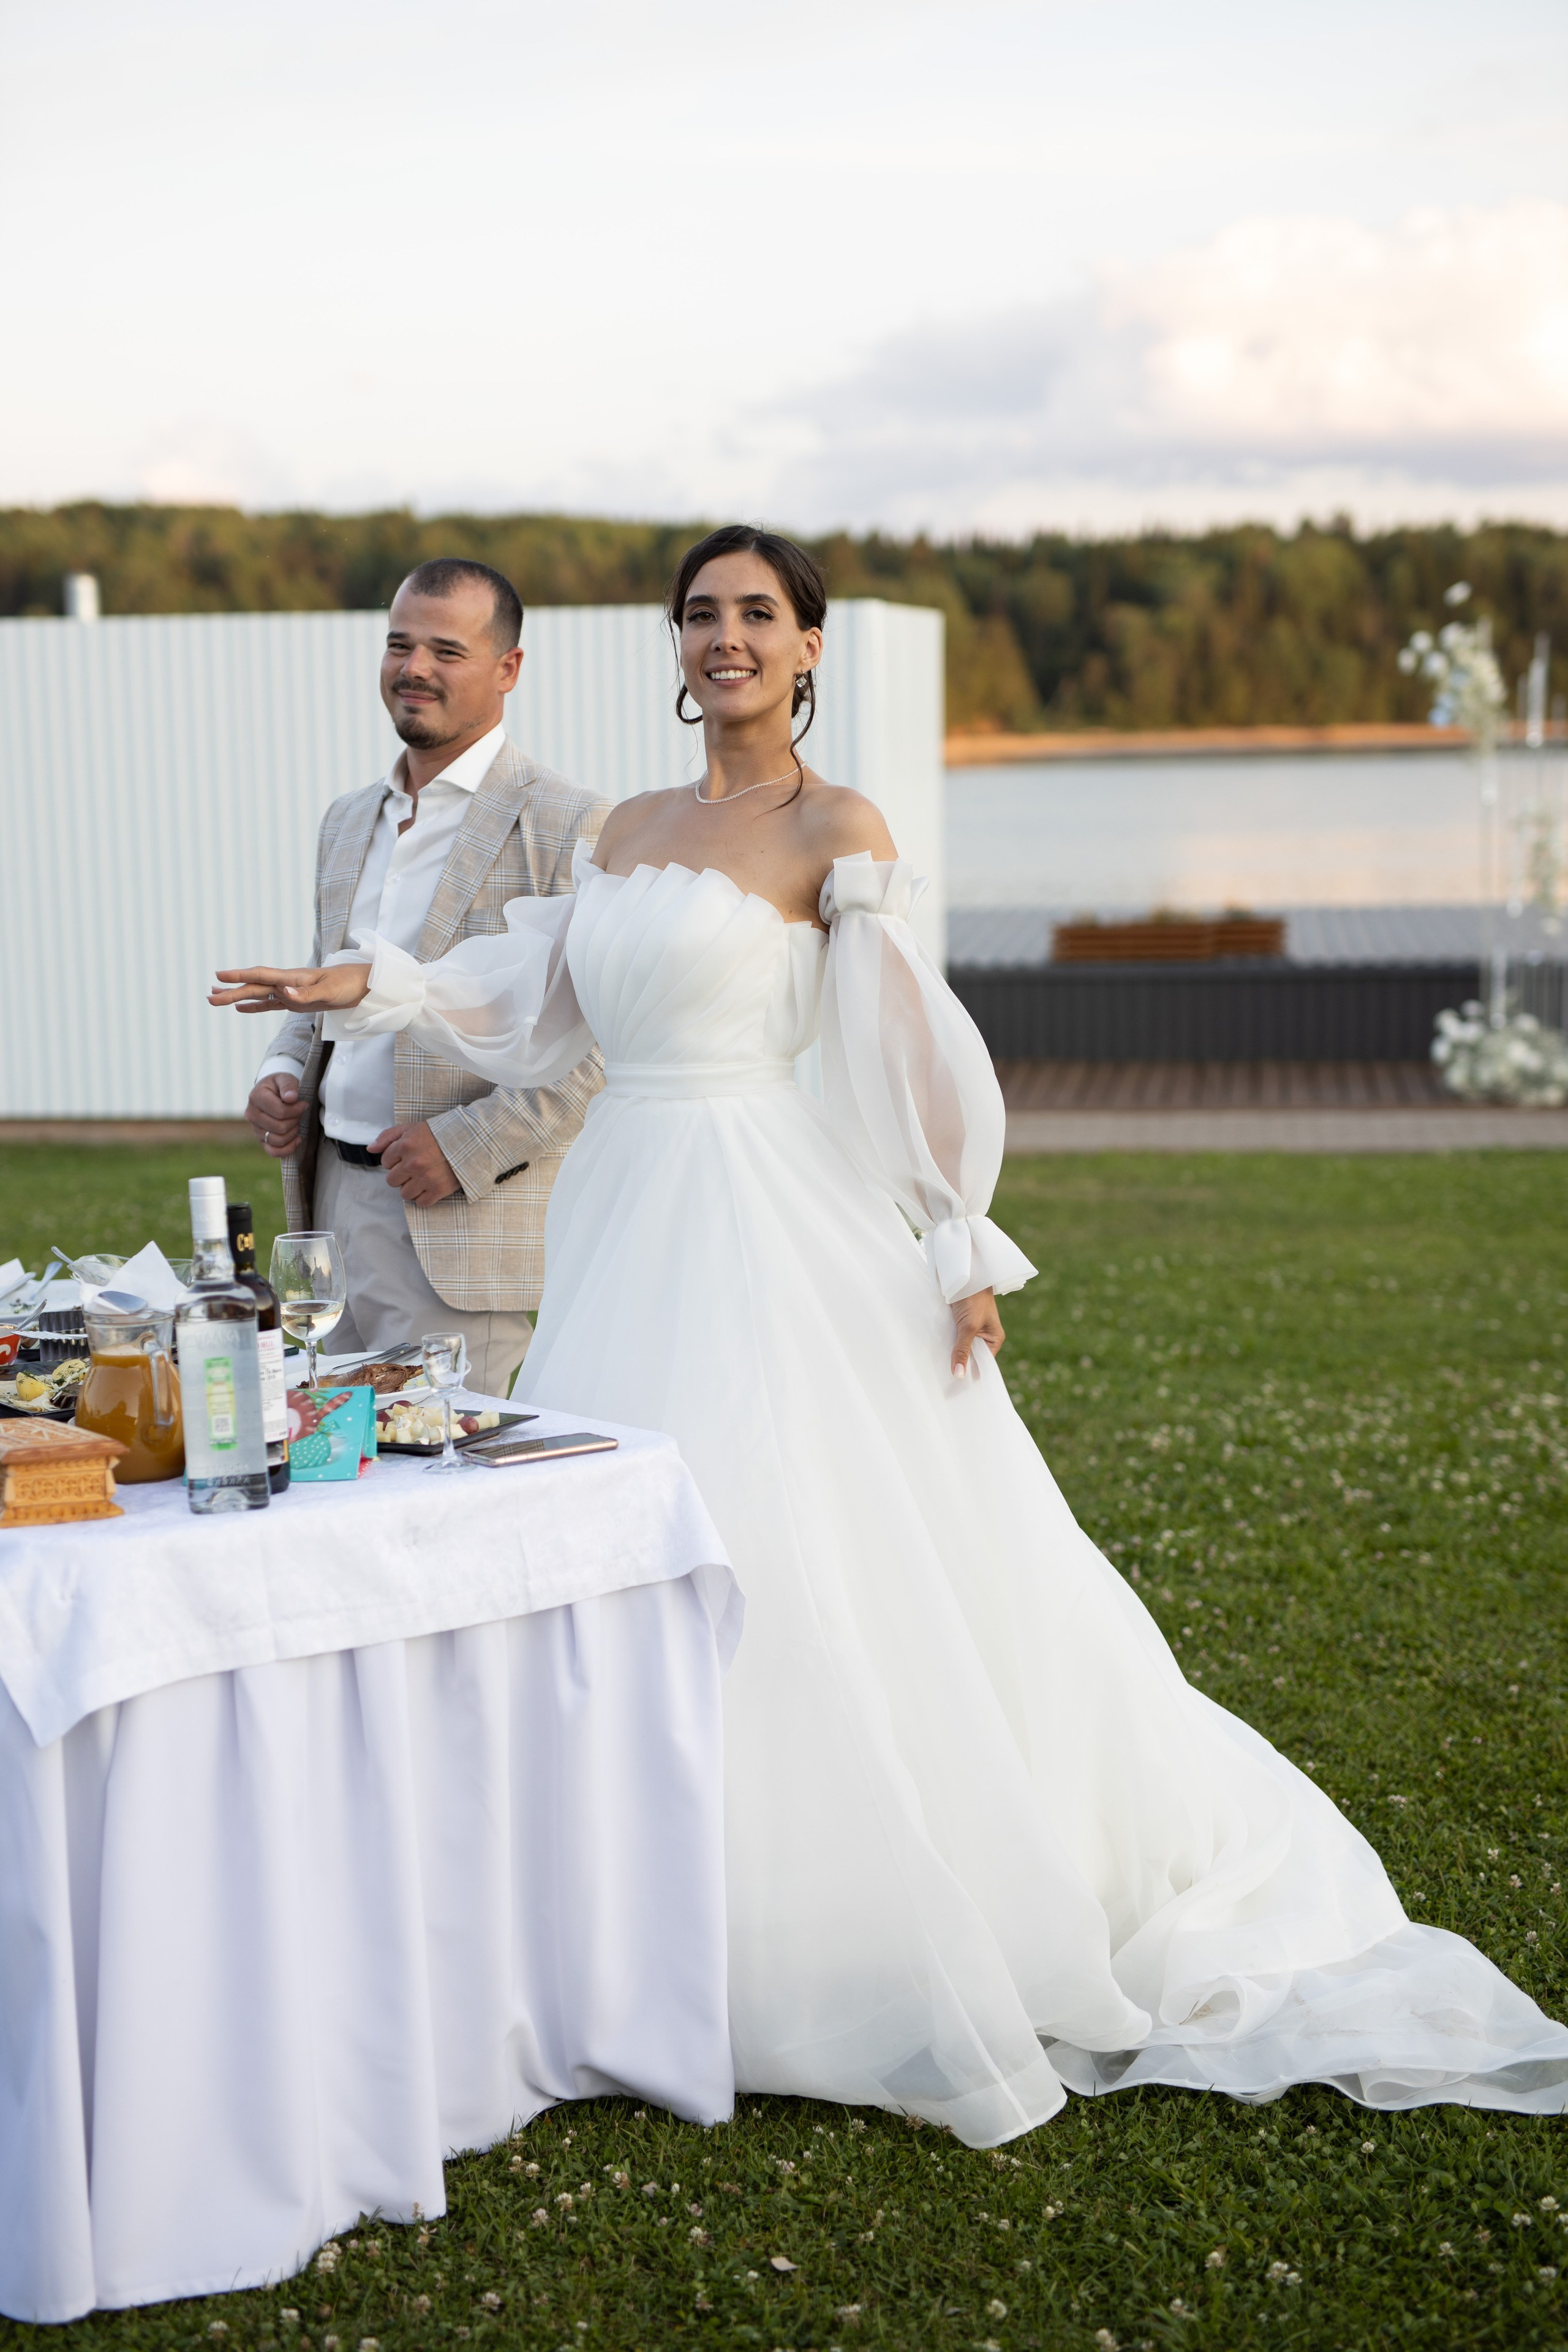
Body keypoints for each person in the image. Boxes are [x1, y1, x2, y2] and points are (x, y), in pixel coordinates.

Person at [213, 524, 1568, 2146]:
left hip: (765, 1217)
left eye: (758, 616)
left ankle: (818, 1928)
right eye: (702, 614)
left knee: (798, 1549)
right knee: (628, 1550)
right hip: (626, 1206)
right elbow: (530, 995)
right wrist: (366, 990)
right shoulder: (628, 829)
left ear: (808, 651)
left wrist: (951, 1238)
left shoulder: (835, 827)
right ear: (676, 646)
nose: (727, 637)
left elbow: (908, 1050)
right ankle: (644, 1914)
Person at [246, 559, 609, 1394]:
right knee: (329, 1470)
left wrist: (465, 1146)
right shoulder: (347, 821)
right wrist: (279, 1072)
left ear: (508, 669)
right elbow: (325, 989)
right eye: (399, 644)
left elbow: (600, 1049)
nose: (414, 668)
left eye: (447, 650)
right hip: (329, 1211)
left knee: (442, 1493)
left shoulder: (569, 822)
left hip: (460, 1221)